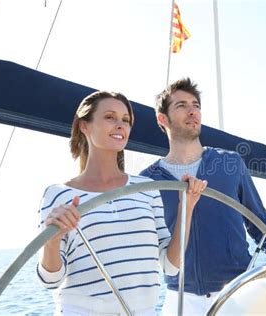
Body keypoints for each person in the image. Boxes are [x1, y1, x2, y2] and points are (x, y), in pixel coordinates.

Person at [36, 91, 207, 315]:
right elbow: (50, 279)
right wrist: (52, 239)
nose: (120, 125)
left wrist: (187, 206)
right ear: (84, 126)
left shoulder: (147, 189)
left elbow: (171, 265)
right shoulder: (57, 195)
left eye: (125, 120)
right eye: (110, 117)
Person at [140, 78, 266, 315]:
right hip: (178, 299)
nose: (192, 111)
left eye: (195, 105)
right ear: (162, 119)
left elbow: (260, 223)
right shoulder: (147, 180)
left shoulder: (230, 163)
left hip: (236, 293)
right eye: (181, 105)